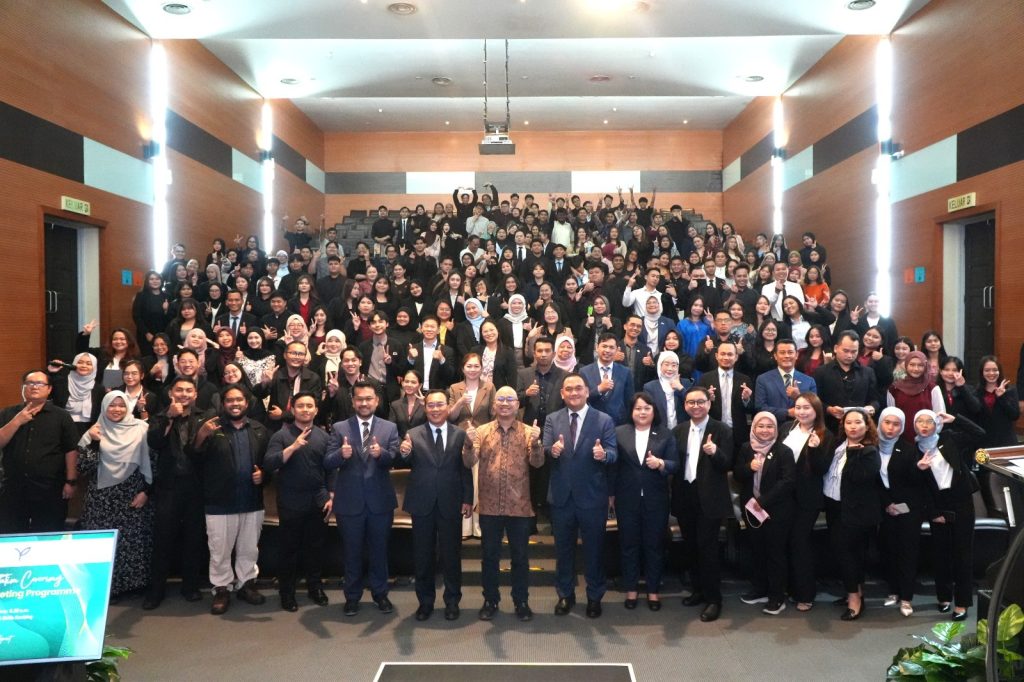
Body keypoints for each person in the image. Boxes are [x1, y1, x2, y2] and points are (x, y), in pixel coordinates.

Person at [463, 386, 544, 621]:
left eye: (510, 399)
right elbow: (469, 461)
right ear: (494, 405)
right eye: (501, 399)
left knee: (520, 558)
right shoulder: (481, 431)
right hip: (489, 506)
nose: (505, 403)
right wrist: (467, 444)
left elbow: (538, 463)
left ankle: (521, 601)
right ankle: (490, 600)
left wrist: (537, 444)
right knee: (489, 557)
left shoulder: (528, 432)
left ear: (517, 405)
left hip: (519, 506)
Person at [543, 373, 618, 618]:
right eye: (569, 389)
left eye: (578, 388)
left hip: (592, 497)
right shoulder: (552, 419)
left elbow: (613, 453)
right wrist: (552, 451)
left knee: (594, 551)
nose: (574, 393)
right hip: (562, 497)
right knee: (563, 551)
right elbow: (545, 449)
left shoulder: (604, 419)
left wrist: (603, 455)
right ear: (562, 393)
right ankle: (565, 594)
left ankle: (594, 597)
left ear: (587, 391)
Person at [325, 382, 400, 616]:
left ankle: (380, 594)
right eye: (360, 399)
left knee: (379, 551)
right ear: (353, 401)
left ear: (377, 401)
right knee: (352, 552)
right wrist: (341, 454)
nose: (364, 403)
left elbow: (396, 457)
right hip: (350, 502)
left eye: (369, 399)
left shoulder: (389, 427)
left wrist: (382, 454)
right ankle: (352, 597)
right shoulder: (339, 428)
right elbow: (327, 461)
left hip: (380, 502)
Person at [193, 385, 269, 615]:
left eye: (239, 400)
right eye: (230, 400)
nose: (235, 404)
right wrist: (201, 436)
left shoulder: (259, 429)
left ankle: (246, 584)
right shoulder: (211, 427)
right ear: (223, 403)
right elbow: (194, 458)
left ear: (247, 403)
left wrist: (264, 475)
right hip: (219, 502)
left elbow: (269, 462)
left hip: (251, 500)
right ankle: (221, 589)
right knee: (219, 550)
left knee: (249, 548)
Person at [398, 391, 473, 621]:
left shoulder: (460, 434)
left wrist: (468, 499)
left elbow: (465, 469)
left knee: (452, 556)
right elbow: (403, 460)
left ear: (448, 407)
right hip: (422, 503)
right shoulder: (412, 434)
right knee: (423, 556)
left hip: (451, 501)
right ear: (425, 408)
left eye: (440, 404)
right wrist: (404, 453)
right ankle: (425, 602)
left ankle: (452, 601)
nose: (436, 409)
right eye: (431, 405)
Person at [75, 391, 153, 600]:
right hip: (101, 497)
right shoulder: (94, 431)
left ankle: (133, 585)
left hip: (133, 493)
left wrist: (146, 491)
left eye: (121, 405)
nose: (117, 409)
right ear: (104, 407)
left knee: (133, 541)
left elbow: (153, 462)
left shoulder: (141, 428)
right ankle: (107, 587)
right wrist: (94, 442)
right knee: (102, 542)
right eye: (112, 405)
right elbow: (83, 468)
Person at [143, 376, 209, 610]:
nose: (184, 394)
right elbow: (154, 442)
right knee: (163, 538)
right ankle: (156, 591)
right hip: (168, 487)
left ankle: (190, 587)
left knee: (194, 538)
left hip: (196, 487)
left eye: (189, 390)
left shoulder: (204, 417)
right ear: (171, 393)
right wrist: (169, 417)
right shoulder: (160, 416)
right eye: (179, 390)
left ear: (195, 394)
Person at [914, 408, 986, 621]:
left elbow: (980, 434)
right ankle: (944, 597)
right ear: (914, 425)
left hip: (961, 501)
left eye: (929, 421)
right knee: (941, 554)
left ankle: (962, 603)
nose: (924, 425)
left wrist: (956, 419)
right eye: (920, 421)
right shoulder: (914, 450)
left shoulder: (949, 439)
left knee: (963, 554)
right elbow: (919, 488)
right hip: (936, 503)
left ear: (936, 424)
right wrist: (933, 511)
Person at [264, 392, 333, 612]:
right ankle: (287, 593)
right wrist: (293, 447)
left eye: (309, 406)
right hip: (291, 500)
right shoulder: (281, 435)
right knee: (289, 549)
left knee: (315, 549)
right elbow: (269, 463)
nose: (305, 409)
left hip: (318, 500)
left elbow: (331, 469)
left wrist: (331, 495)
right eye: (300, 406)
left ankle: (315, 588)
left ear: (316, 410)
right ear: (292, 410)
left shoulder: (324, 436)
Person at [610, 392, 679, 611]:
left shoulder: (665, 434)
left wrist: (661, 464)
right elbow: (613, 468)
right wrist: (610, 495)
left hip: (656, 499)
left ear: (654, 411)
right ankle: (631, 589)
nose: (642, 412)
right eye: (638, 408)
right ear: (631, 411)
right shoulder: (619, 432)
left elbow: (675, 464)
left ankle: (653, 591)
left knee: (654, 545)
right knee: (628, 545)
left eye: (647, 408)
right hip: (626, 498)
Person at [671, 386, 733, 622]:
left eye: (700, 402)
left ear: (708, 403)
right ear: (685, 405)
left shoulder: (722, 430)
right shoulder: (678, 430)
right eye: (690, 402)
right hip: (685, 495)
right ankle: (698, 590)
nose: (695, 406)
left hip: (710, 498)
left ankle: (714, 599)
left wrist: (715, 452)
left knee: (708, 549)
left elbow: (727, 464)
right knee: (691, 547)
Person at [0, 370, 79, 533]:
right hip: (13, 487)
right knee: (12, 532)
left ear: (49, 389)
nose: (34, 387)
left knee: (49, 532)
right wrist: (17, 421)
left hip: (50, 488)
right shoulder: (8, 413)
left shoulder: (61, 416)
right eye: (30, 383)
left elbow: (71, 450)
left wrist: (71, 481)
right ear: (23, 388)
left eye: (40, 384)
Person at [734, 412, 796, 615]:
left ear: (776, 429)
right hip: (752, 510)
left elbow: (788, 481)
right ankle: (760, 589)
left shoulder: (783, 451)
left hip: (777, 511)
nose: (765, 430)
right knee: (757, 551)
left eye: (770, 426)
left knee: (775, 554)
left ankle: (777, 596)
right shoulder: (746, 448)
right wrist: (748, 467)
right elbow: (737, 474)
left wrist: (763, 501)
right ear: (753, 427)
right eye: (760, 426)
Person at [823, 408, 881, 621]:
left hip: (855, 512)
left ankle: (855, 599)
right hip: (834, 506)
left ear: (867, 426)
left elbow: (859, 478)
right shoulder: (839, 446)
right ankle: (854, 592)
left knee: (849, 555)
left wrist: (854, 453)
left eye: (858, 422)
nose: (853, 427)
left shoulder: (869, 451)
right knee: (842, 554)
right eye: (848, 423)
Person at [779, 393, 833, 611]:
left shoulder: (825, 434)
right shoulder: (787, 428)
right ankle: (790, 588)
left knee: (800, 543)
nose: (802, 412)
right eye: (799, 407)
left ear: (816, 411)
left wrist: (815, 449)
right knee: (786, 542)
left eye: (807, 408)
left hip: (807, 498)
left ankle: (805, 593)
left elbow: (822, 469)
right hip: (784, 496)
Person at [872, 407, 924, 617]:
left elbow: (916, 484)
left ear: (902, 428)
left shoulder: (909, 449)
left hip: (909, 509)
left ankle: (906, 598)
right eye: (887, 422)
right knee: (889, 551)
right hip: (886, 509)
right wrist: (887, 504)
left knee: (907, 554)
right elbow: (875, 482)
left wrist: (919, 469)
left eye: (896, 424)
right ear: (880, 424)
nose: (891, 428)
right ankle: (893, 591)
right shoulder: (872, 447)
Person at [814, 330, 879, 433]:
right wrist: (829, 409)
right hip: (830, 428)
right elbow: (815, 400)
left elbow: (875, 400)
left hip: (859, 428)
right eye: (846, 351)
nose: (850, 355)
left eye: (854, 352)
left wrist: (872, 407)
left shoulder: (868, 372)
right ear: (836, 348)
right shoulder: (821, 372)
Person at [697, 342, 754, 452]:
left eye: (730, 354)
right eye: (722, 354)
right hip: (713, 432)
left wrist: (746, 399)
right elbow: (699, 409)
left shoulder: (745, 379)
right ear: (716, 356)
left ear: (736, 357)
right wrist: (707, 400)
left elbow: (752, 409)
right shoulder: (705, 379)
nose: (726, 357)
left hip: (738, 433)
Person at [754, 339, 818, 424]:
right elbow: (760, 407)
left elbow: (815, 408)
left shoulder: (809, 381)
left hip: (801, 427)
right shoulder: (763, 379)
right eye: (782, 352)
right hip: (773, 427)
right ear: (775, 356)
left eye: (790, 352)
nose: (787, 356)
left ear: (796, 355)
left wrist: (798, 397)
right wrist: (787, 412)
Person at [580, 333, 635, 425]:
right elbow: (580, 398)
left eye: (611, 347)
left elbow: (629, 400)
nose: (607, 350)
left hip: (618, 424)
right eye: (604, 346)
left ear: (617, 350)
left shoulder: (625, 372)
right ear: (597, 347)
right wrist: (598, 389)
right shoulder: (584, 371)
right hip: (592, 422)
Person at [886, 351, 944, 440]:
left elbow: (940, 417)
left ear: (925, 366)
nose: (916, 369)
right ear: (906, 365)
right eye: (912, 365)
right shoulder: (894, 389)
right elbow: (891, 415)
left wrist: (929, 436)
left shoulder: (932, 388)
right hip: (901, 440)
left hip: (927, 440)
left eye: (920, 365)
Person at [48, 352, 104, 437]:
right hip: (62, 428)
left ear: (94, 367)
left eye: (89, 364)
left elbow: (99, 414)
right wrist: (53, 373)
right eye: (80, 362)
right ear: (73, 364)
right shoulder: (61, 382)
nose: (84, 366)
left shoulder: (99, 389)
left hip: (89, 431)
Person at [975, 355, 1020, 447]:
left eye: (995, 370)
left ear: (999, 371)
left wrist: (1001, 397)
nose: (991, 373)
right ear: (982, 372)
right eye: (987, 370)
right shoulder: (975, 393)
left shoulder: (1010, 391)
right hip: (984, 444)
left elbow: (1015, 415)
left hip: (1006, 443)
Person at [642, 351, 690, 431]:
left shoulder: (685, 383)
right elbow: (649, 411)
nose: (670, 369)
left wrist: (680, 388)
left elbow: (692, 404)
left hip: (682, 430)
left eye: (674, 365)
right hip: (659, 431)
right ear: (660, 366)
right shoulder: (650, 387)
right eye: (666, 364)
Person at [388, 370, 426, 439]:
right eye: (406, 381)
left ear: (420, 385)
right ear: (402, 383)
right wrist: (401, 443)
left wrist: (425, 405)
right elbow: (391, 430)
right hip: (401, 443)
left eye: (413, 382)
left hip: (422, 443)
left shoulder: (426, 404)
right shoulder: (395, 405)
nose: (409, 385)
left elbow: (432, 424)